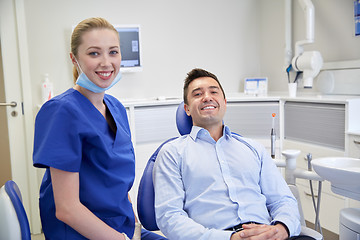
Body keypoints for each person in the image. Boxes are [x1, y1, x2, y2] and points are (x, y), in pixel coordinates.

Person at [33, 17, 167, 240]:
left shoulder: (116, 108)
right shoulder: (60, 112)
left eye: (113, 52)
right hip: (81, 233)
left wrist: (133, 228)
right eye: (94, 53)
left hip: (120, 227)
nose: (106, 62)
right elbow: (67, 209)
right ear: (74, 59)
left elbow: (119, 186)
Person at [153, 68, 316, 240]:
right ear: (187, 109)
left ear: (224, 102)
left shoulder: (254, 149)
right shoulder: (172, 153)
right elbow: (170, 217)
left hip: (269, 234)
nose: (207, 97)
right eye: (197, 94)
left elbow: (283, 200)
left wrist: (282, 228)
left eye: (213, 91)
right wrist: (230, 238)